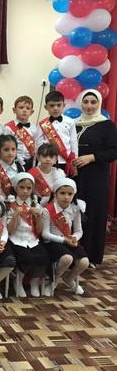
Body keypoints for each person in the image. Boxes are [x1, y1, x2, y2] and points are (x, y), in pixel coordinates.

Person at [73, 89, 117, 267]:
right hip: (75, 176)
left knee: (93, 213)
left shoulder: (106, 125)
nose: (89, 106)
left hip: (96, 177)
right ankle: (73, 254)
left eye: (93, 102)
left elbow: (113, 151)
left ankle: (91, 256)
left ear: (99, 104)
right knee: (73, 213)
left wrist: (91, 157)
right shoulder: (73, 124)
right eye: (86, 102)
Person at [42, 178, 89, 295]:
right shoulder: (48, 210)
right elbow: (45, 234)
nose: (66, 197)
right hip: (53, 241)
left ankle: (69, 279)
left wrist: (74, 238)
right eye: (62, 193)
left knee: (84, 262)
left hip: (69, 240)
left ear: (74, 195)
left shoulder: (75, 209)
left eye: (70, 194)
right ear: (55, 194)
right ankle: (54, 281)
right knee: (67, 258)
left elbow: (79, 231)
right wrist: (64, 240)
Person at [6, 173, 49, 297]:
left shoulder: (36, 205)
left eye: (28, 188)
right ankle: (18, 281)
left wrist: (39, 217)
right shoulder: (10, 205)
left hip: (32, 239)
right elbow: (10, 231)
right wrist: (15, 215)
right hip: (16, 239)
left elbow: (39, 231)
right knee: (25, 257)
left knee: (44, 257)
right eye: (22, 187)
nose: (25, 191)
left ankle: (34, 282)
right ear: (15, 188)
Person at [37, 91, 78, 176]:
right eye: (52, 105)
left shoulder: (70, 122)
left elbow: (73, 142)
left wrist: (74, 161)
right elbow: (39, 143)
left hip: (66, 160)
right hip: (48, 160)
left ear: (64, 105)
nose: (55, 108)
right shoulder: (43, 124)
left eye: (59, 105)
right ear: (46, 107)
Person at [4, 96, 38, 171]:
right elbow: (5, 146)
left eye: (28, 108)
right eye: (21, 107)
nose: (24, 110)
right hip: (15, 162)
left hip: (31, 162)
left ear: (32, 112)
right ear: (14, 110)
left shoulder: (34, 128)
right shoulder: (8, 128)